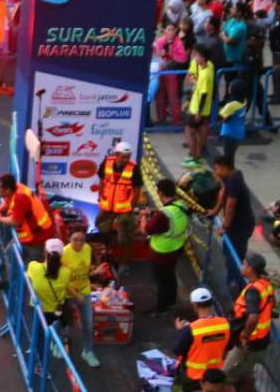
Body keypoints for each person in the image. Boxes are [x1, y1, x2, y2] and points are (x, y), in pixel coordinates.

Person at [224, 253, 274, 390]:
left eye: (244, 264)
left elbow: (253, 317)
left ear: (250, 268)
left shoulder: (253, 291)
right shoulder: (265, 284)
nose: (242, 266)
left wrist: (245, 336)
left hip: (249, 341)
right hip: (261, 339)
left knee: (225, 375)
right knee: (246, 371)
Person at [145, 178, 189, 314]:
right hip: (176, 250)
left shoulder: (163, 215)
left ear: (161, 193)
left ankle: (160, 309)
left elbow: (147, 229)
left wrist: (143, 218)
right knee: (170, 277)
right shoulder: (182, 206)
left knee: (161, 282)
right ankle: (171, 302)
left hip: (161, 253)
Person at [174, 287, 231, 391]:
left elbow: (178, 350)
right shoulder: (225, 324)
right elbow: (228, 346)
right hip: (215, 375)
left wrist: (179, 331)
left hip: (194, 376)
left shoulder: (190, 329)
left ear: (195, 305)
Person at [0, 173, 54, 261]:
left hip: (37, 239)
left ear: (7, 190)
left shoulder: (20, 198)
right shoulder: (17, 187)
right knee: (10, 257)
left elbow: (15, 222)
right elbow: (7, 201)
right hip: (29, 236)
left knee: (32, 268)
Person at [62, 229, 101, 367]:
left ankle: (88, 351)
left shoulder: (87, 249)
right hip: (68, 292)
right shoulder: (64, 253)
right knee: (65, 322)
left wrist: (95, 271)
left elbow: (86, 269)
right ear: (69, 239)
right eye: (75, 240)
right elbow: (62, 280)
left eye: (82, 240)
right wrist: (76, 295)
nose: (79, 243)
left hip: (84, 290)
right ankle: (59, 344)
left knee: (88, 324)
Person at [25, 238, 72, 347]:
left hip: (38, 309)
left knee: (39, 336)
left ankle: (38, 360)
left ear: (45, 252)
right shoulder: (66, 272)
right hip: (56, 310)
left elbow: (29, 279)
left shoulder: (33, 266)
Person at [210, 156, 255, 261]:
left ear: (224, 167)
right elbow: (223, 192)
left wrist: (225, 227)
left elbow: (230, 206)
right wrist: (215, 211)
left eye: (217, 169)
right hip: (236, 225)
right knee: (228, 252)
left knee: (234, 257)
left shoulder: (234, 181)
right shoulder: (232, 176)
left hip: (240, 227)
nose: (215, 172)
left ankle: (236, 276)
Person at [96, 140, 142, 233]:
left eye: (128, 157)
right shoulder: (106, 163)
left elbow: (137, 189)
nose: (126, 160)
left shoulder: (134, 168)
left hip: (124, 208)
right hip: (107, 205)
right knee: (100, 225)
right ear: (116, 154)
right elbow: (102, 181)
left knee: (125, 232)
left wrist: (132, 206)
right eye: (123, 157)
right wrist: (100, 196)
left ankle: (123, 246)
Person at [184, 45, 215, 167]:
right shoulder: (207, 68)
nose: (194, 58)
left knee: (189, 132)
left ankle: (195, 157)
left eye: (196, 55)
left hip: (197, 108)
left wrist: (199, 111)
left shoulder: (205, 73)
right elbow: (197, 87)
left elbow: (204, 93)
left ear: (202, 57)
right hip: (198, 107)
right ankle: (197, 156)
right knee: (199, 131)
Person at [218, 80, 248, 163]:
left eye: (231, 86)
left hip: (229, 133)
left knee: (228, 157)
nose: (229, 87)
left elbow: (220, 117)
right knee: (231, 155)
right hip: (239, 132)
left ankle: (230, 173)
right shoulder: (244, 100)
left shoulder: (231, 105)